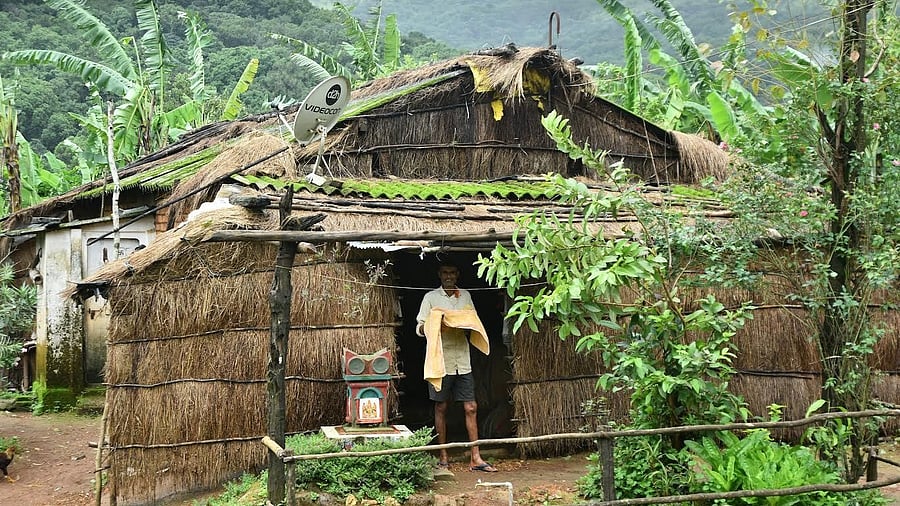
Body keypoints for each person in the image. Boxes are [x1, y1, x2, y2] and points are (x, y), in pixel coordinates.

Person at [416, 261, 497, 472]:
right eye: (445, 272)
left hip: (463, 360)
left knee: (471, 407)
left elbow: (473, 320)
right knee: (441, 406)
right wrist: (435, 324)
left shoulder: (466, 296)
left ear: (457, 274)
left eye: (452, 272)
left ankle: (475, 456)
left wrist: (461, 321)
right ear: (439, 274)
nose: (449, 276)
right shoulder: (431, 298)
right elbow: (419, 327)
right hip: (440, 360)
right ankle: (443, 456)